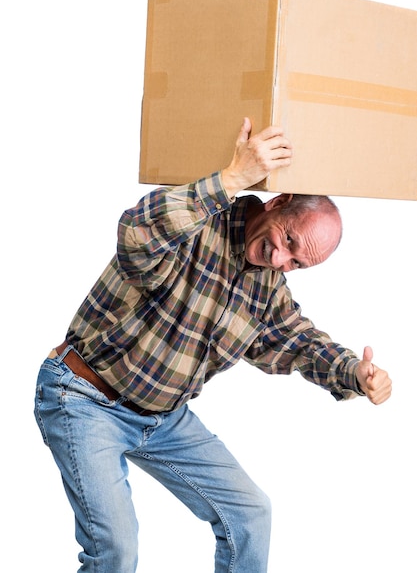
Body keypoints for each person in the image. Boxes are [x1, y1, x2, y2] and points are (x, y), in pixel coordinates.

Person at [34, 117, 392, 573]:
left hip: (163, 420)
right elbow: (136, 235)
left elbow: (296, 339)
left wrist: (353, 373)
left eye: (297, 263)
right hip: (84, 398)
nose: (280, 259)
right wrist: (231, 179)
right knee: (115, 551)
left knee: (250, 514)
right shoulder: (199, 224)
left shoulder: (268, 285)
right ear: (277, 203)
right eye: (287, 239)